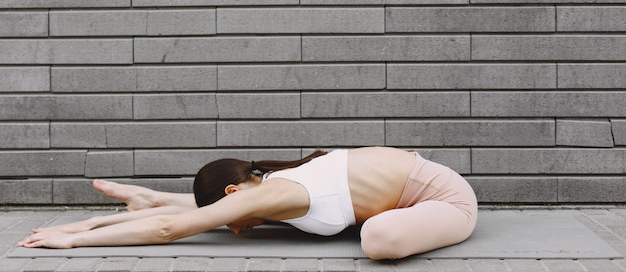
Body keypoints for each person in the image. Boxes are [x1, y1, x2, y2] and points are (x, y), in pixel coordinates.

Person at [18, 146, 477, 260]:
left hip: (447, 199)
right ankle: (150, 197)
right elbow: (205, 215)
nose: (232, 229)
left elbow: (171, 231)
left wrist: (73, 243)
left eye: (230, 215)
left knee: (379, 239)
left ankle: (149, 199)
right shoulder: (271, 181)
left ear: (235, 193)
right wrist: (92, 222)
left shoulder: (280, 190)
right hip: (398, 194)